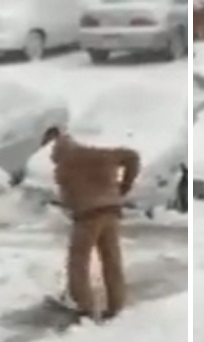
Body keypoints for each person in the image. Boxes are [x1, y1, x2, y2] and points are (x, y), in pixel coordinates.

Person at [51, 132, 140, 320]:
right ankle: (116, 306)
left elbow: (67, 199)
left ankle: (83, 307)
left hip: (87, 216)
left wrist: (71, 208)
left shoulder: (63, 169)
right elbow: (133, 157)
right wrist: (124, 186)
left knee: (78, 262)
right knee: (112, 260)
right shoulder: (100, 154)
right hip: (111, 210)